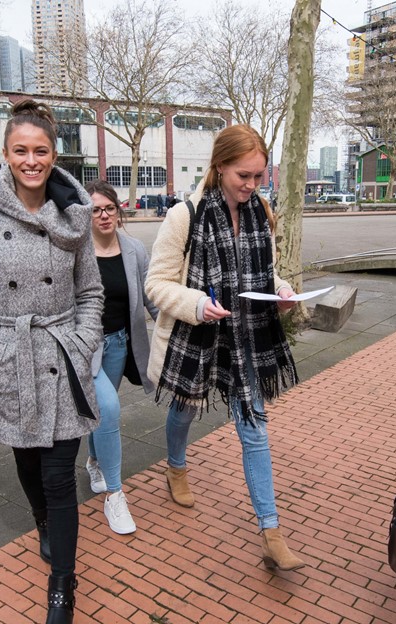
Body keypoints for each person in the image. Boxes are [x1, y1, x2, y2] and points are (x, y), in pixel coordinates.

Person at [0, 100, 102, 624]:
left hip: (62, 357)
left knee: (60, 476)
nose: (31, 160)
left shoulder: (75, 215)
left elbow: (91, 292)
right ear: (6, 154)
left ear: (55, 154)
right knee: (28, 464)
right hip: (8, 361)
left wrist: (82, 344)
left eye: (41, 150)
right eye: (21, 151)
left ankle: (62, 588)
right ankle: (41, 522)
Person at [145, 124, 305, 571]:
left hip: (245, 339)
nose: (253, 186)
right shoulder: (185, 216)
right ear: (220, 167)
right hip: (196, 338)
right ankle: (176, 465)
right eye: (244, 176)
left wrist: (284, 290)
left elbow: (263, 276)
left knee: (254, 429)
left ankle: (271, 532)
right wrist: (197, 304)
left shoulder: (261, 213)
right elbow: (155, 284)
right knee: (184, 410)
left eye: (259, 177)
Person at [82, 179, 159, 535]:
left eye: (109, 208)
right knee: (109, 409)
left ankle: (94, 461)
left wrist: (179, 323)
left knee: (99, 411)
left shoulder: (133, 249)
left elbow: (150, 298)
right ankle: (115, 496)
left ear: (119, 211)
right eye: (95, 210)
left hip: (119, 344)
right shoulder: (76, 252)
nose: (103, 216)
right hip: (86, 349)